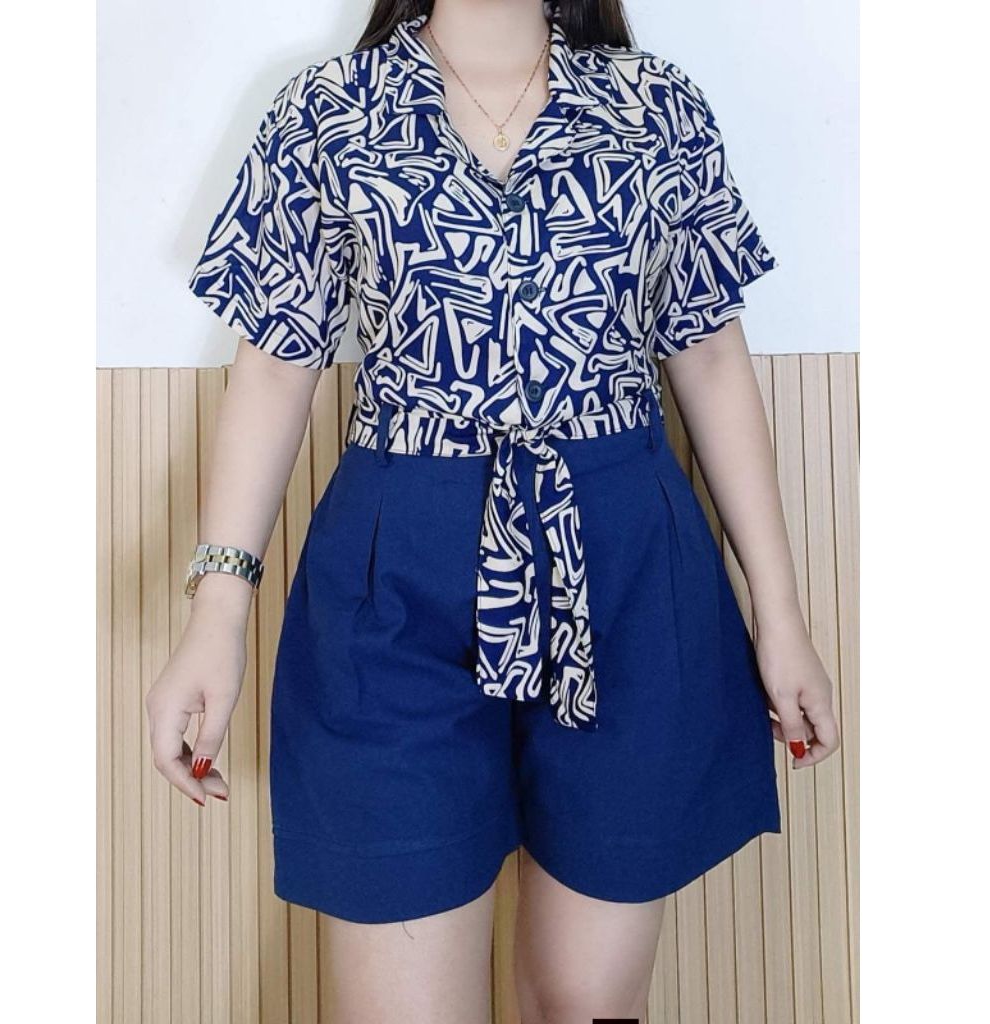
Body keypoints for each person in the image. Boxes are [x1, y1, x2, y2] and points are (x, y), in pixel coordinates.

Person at [146, 0, 841, 1020]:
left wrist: (780, 617)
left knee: (586, 1001)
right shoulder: (326, 111)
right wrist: (217, 611)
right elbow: (276, 366)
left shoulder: (655, 106)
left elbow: (708, 356)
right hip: (393, 579)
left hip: (625, 575)